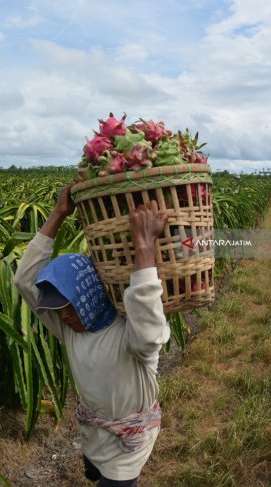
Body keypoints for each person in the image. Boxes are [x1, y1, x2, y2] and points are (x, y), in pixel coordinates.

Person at [13, 182, 171, 486]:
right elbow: (24, 281)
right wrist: (59, 213)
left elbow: (149, 325)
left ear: (88, 297)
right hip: (93, 433)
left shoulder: (131, 335)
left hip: (129, 443)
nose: (61, 316)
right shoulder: (70, 327)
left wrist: (144, 247)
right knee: (93, 474)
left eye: (68, 308)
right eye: (57, 310)